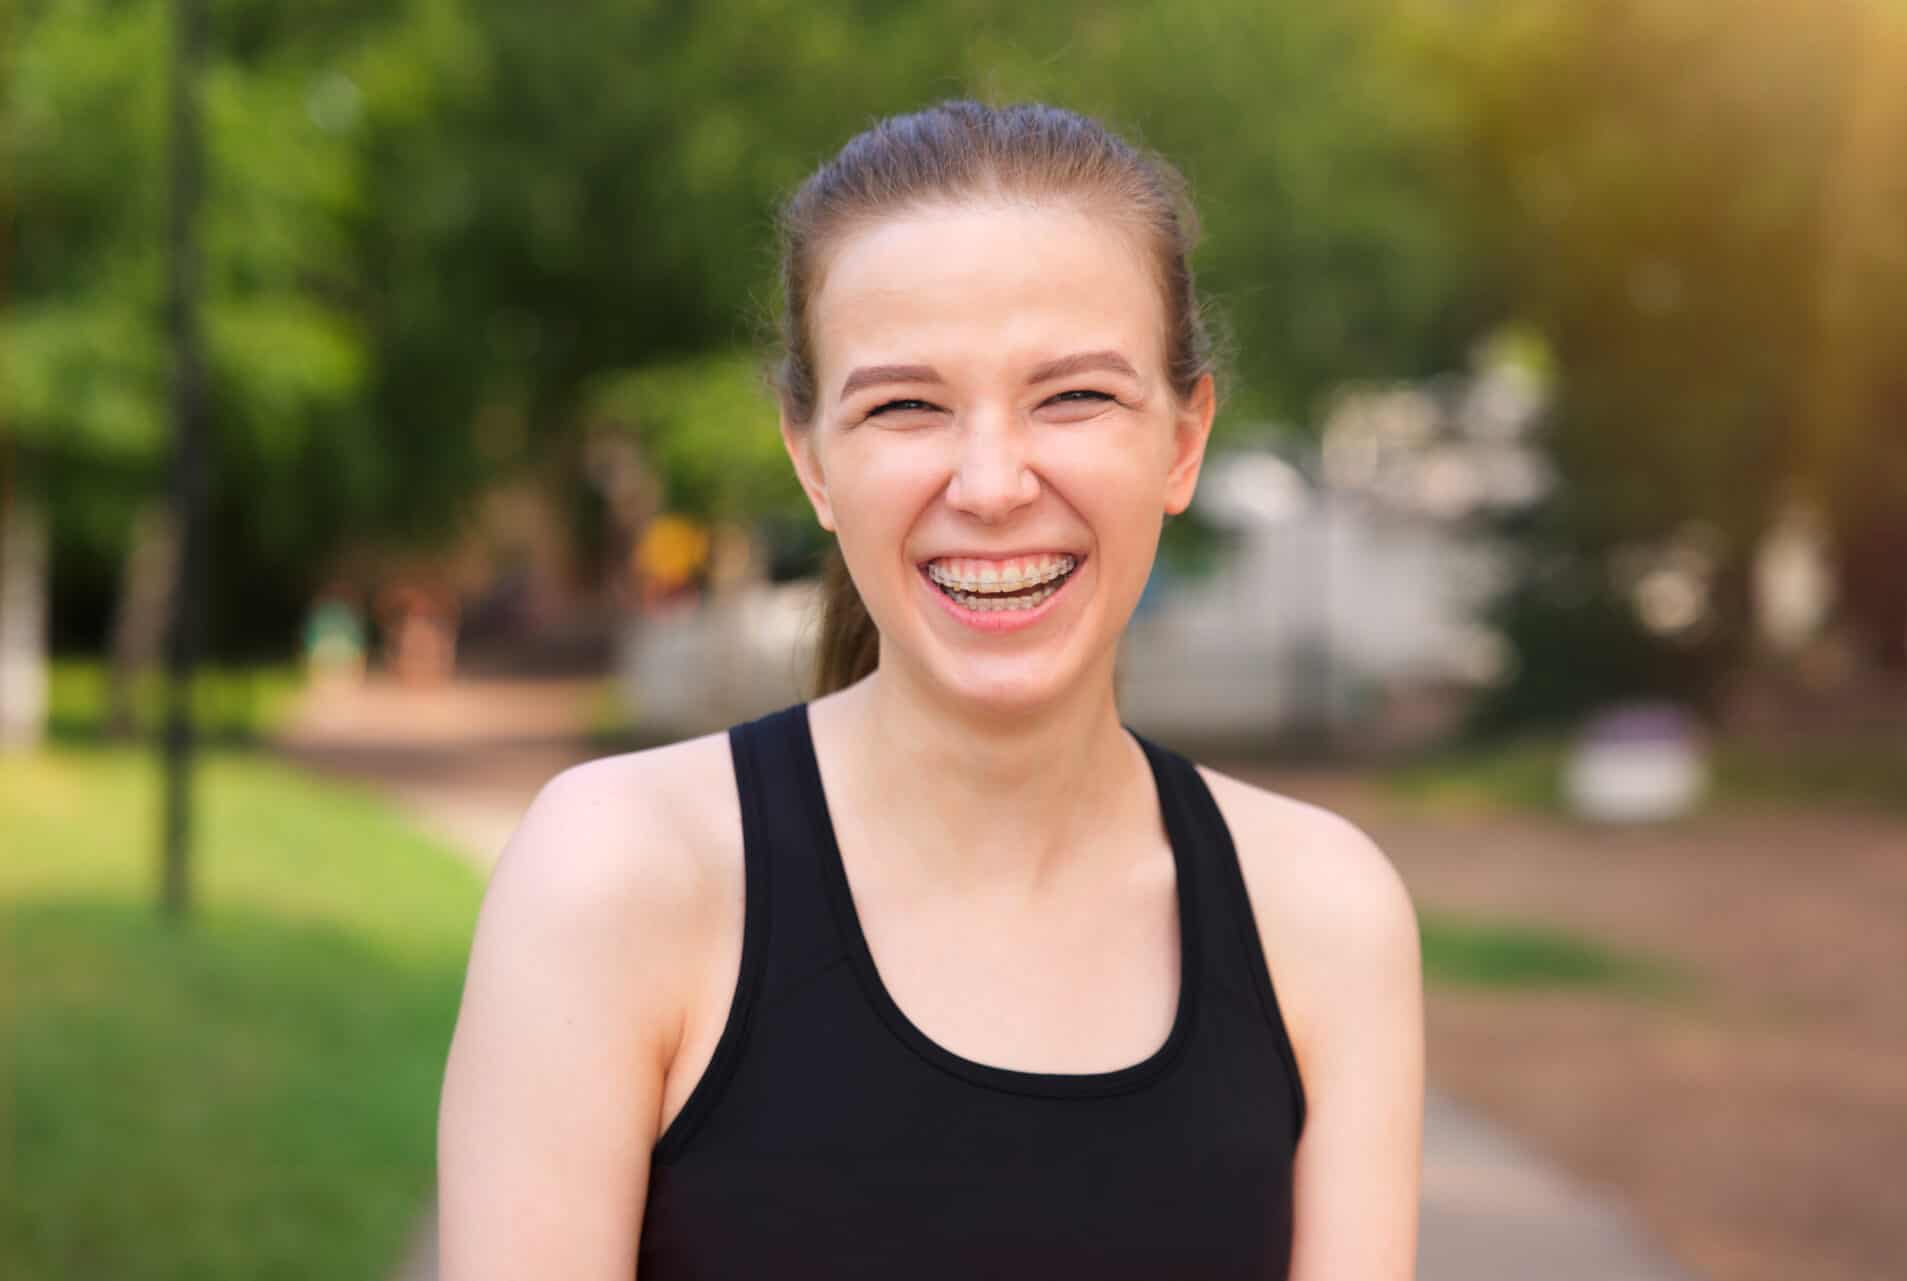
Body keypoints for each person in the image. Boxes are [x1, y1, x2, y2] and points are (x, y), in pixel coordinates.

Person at [437, 100, 1423, 1280]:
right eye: (906, 405)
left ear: (1182, 440)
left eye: (1074, 397)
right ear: (810, 458)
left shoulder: (1322, 917)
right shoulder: (617, 876)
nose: (994, 482)